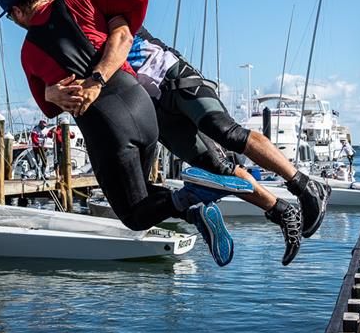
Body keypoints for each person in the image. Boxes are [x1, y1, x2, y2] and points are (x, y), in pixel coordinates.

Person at [0, 0, 236, 267]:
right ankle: (195, 211)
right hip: (142, 107)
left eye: (11, 18)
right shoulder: (81, 1)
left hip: (106, 125)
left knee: (134, 215)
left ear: (18, 12)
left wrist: (53, 90)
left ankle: (195, 194)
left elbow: (48, 110)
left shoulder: (29, 51)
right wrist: (119, 24)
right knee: (142, 193)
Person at [50, 25, 330, 265]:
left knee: (224, 131)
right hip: (153, 108)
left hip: (171, 77)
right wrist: (53, 92)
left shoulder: (94, 13)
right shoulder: (67, 47)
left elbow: (122, 36)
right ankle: (282, 211)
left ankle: (304, 184)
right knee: (218, 170)